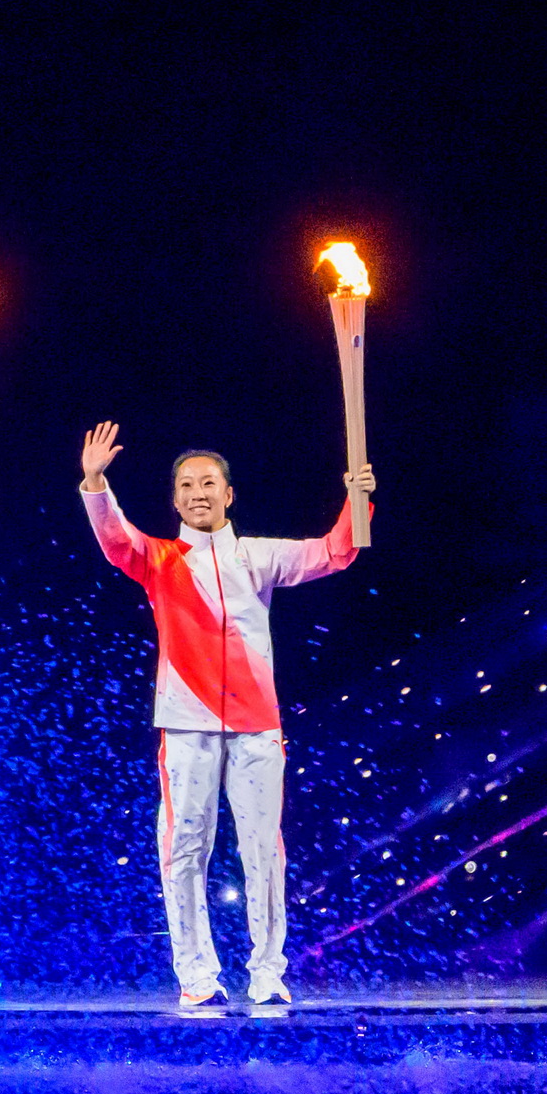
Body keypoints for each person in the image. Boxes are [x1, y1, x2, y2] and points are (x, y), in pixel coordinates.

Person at [79, 420, 375, 1006]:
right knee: (185, 849)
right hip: (185, 725)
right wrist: (95, 483)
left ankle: (268, 972)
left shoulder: (258, 557)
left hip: (257, 726)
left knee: (263, 851)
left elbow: (333, 552)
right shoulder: (159, 559)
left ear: (229, 494)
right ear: (175, 500)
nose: (198, 493)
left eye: (209, 483)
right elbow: (116, 541)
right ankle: (196, 976)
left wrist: (356, 500)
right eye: (187, 485)